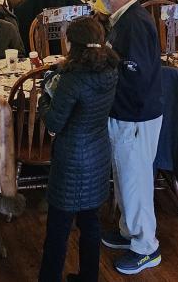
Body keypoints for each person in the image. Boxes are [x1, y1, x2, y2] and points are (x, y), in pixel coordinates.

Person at [37, 16, 119, 282]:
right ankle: (88, 277)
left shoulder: (73, 80)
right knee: (91, 222)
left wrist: (43, 98)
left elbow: (54, 121)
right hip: (98, 151)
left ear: (74, 45)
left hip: (72, 157)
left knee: (58, 230)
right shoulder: (110, 69)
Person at [95, 0, 164, 274]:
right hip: (128, 113)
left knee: (135, 181)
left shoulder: (133, 24)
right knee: (124, 177)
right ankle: (128, 231)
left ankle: (146, 247)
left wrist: (104, 69)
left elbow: (135, 73)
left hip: (134, 115)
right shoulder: (128, 19)